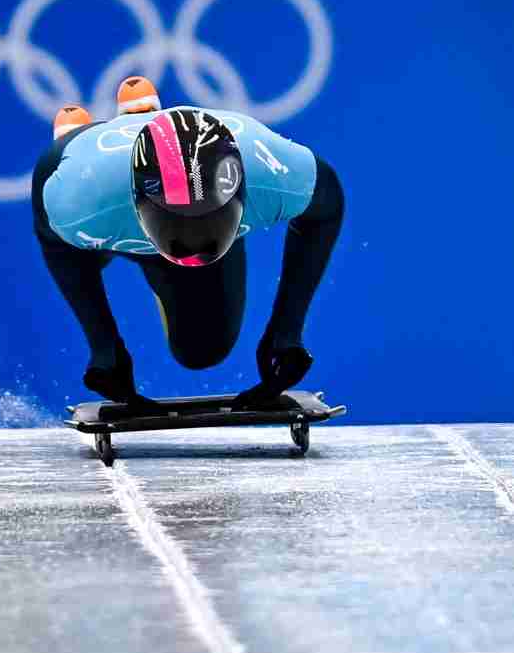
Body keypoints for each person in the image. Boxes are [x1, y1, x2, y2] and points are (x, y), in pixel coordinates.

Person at [33, 77, 344, 410]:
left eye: (213, 220)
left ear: (238, 188)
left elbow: (327, 211)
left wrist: (287, 330)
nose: (194, 239)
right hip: (104, 189)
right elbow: (58, 249)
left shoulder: (272, 172)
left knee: (202, 351)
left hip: (119, 213)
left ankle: (134, 119)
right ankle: (79, 135)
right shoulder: (75, 198)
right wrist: (104, 344)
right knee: (80, 243)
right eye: (176, 226)